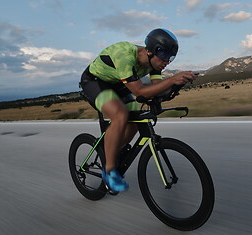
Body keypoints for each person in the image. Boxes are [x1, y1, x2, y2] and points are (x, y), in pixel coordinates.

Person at [80, 28, 197, 192]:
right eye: (164, 56)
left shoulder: (155, 64)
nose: (167, 62)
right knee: (120, 116)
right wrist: (172, 79)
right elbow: (140, 92)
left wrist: (177, 84)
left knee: (135, 121)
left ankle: (112, 150)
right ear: (151, 52)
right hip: (95, 82)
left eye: (171, 58)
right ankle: (109, 171)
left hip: (119, 85)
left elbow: (156, 88)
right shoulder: (125, 55)